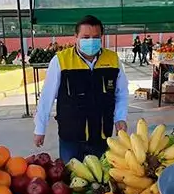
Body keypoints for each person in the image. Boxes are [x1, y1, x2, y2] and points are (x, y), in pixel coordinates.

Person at [33, 15, 129, 163]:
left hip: (102, 135)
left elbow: (121, 93)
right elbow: (47, 98)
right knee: (70, 180)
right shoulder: (61, 61)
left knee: (100, 180)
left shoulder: (113, 60)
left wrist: (120, 117)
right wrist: (40, 128)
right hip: (71, 137)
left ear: (101, 37)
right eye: (86, 37)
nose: (91, 41)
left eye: (96, 37)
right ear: (75, 37)